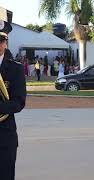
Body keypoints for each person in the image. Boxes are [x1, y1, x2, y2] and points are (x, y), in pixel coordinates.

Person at [0, 18, 27, 180]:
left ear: (6, 42)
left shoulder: (15, 69)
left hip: (5, 134)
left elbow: (19, 102)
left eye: (1, 40)